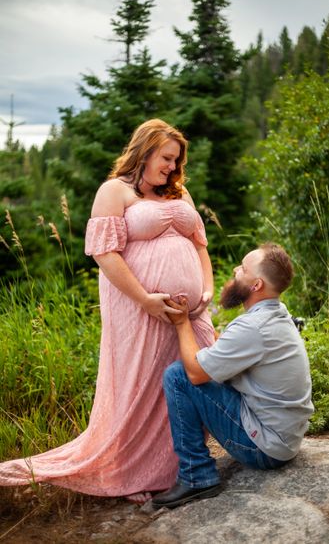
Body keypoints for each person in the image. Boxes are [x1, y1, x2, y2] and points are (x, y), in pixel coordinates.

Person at [0, 119, 215, 504]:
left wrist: (208, 290)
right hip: (139, 310)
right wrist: (146, 299)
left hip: (191, 314)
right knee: (142, 386)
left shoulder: (181, 194)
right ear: (145, 150)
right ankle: (135, 472)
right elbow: (105, 253)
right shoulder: (115, 190)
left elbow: (200, 246)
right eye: (166, 158)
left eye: (176, 161)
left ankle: (184, 469)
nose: (171, 167)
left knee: (187, 379)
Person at [152, 243, 314, 510]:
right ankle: (197, 473)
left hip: (266, 448)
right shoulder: (276, 314)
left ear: (256, 285)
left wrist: (182, 323)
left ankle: (196, 475)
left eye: (243, 269)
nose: (236, 270)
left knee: (178, 375)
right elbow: (223, 356)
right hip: (284, 439)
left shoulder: (253, 327)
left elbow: (195, 373)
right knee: (198, 372)